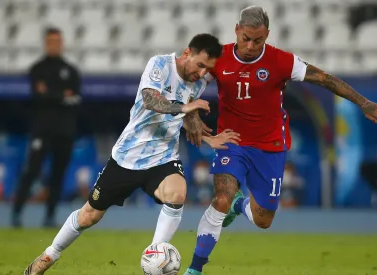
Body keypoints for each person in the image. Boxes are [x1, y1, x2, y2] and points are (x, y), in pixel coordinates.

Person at [182, 6, 377, 274]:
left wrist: (364, 102)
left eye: (258, 40)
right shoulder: (218, 58)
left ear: (267, 34)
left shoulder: (281, 61)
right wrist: (191, 117)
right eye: (246, 38)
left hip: (270, 146)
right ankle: (195, 269)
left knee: (263, 220)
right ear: (236, 30)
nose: (251, 46)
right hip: (231, 141)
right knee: (220, 198)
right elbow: (188, 87)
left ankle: (239, 205)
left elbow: (323, 78)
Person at [23, 33, 241, 275]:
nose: (201, 74)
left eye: (207, 69)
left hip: (163, 157)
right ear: (187, 53)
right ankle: (48, 256)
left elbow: (188, 119)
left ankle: (156, 258)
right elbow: (151, 100)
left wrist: (207, 136)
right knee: (89, 216)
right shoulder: (159, 64)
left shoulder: (198, 83)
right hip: (127, 157)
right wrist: (185, 108)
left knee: (178, 193)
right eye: (200, 65)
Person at [12, 27, 82, 228]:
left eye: (58, 41)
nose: (55, 45)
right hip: (42, 129)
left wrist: (51, 95)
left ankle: (50, 217)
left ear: (62, 43)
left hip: (64, 131)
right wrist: (61, 96)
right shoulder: (38, 69)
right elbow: (39, 95)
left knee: (58, 174)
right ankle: (16, 213)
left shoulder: (71, 70)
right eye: (51, 41)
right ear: (45, 43)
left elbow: (76, 98)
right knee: (32, 170)